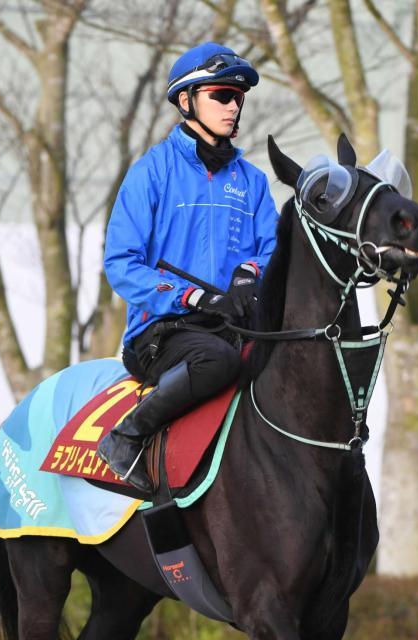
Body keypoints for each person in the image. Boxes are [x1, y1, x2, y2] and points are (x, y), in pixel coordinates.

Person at [97, 42, 278, 495]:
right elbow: (121, 263)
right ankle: (126, 437)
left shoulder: (252, 182)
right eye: (222, 95)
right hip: (161, 333)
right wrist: (190, 295)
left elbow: (273, 249)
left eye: (239, 97)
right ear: (186, 100)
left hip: (233, 326)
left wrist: (248, 274)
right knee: (215, 360)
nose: (233, 105)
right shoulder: (150, 173)